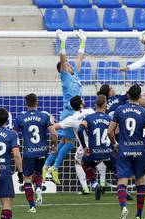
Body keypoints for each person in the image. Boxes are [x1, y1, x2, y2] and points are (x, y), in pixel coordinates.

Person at [107, 84, 145, 219]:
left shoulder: (119, 109)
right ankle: (138, 216)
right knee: (140, 182)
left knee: (122, 181)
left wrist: (115, 143)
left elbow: (110, 131)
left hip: (124, 150)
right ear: (140, 96)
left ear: (128, 95)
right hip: (140, 151)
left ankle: (123, 207)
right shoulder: (144, 112)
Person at [44, 29, 87, 185]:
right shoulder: (65, 75)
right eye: (67, 64)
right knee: (69, 143)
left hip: (72, 113)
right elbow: (62, 60)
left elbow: (80, 58)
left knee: (63, 142)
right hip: (69, 114)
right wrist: (62, 42)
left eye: (69, 64)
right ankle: (55, 168)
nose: (69, 64)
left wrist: (83, 40)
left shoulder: (75, 75)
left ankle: (46, 166)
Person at [14, 93, 57, 213]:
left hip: (28, 153)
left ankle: (32, 206)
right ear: (37, 102)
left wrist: (14, 147)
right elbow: (54, 134)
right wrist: (54, 146)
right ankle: (38, 187)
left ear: (26, 103)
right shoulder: (44, 116)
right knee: (38, 172)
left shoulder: (20, 118)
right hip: (42, 151)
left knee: (27, 179)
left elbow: (13, 134)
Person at [53, 95, 95, 195]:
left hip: (85, 146)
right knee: (102, 160)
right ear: (81, 104)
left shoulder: (71, 118)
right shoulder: (91, 111)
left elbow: (55, 127)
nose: (84, 100)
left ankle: (86, 188)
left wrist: (51, 121)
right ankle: (101, 184)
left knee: (77, 160)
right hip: (97, 143)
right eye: (82, 99)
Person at [78, 95, 117, 200]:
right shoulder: (110, 118)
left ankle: (95, 184)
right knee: (117, 170)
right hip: (108, 152)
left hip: (94, 153)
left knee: (83, 163)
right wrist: (115, 144)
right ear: (105, 105)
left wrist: (85, 146)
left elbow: (79, 130)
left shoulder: (89, 118)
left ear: (95, 104)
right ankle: (122, 189)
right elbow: (116, 133)